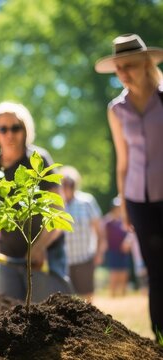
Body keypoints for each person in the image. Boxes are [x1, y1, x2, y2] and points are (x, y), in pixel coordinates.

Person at [95, 33, 163, 336]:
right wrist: (123, 204)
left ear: (146, 63)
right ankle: (160, 337)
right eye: (118, 68)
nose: (123, 73)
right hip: (137, 199)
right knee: (155, 272)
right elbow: (122, 161)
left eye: (129, 66)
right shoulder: (116, 109)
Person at [0, 101, 68, 303]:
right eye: (3, 129)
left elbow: (57, 211)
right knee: (7, 310)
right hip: (8, 255)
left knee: (47, 311)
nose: (10, 134)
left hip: (45, 254)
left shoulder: (39, 160)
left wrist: (40, 246)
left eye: (15, 128)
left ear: (25, 130)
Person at [60, 166, 106, 303]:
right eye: (64, 184)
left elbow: (99, 229)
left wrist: (99, 252)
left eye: (70, 184)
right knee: (65, 298)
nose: (67, 187)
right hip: (64, 261)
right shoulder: (55, 205)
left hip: (84, 258)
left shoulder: (87, 202)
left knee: (87, 297)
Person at [102, 197, 133, 297]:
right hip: (112, 250)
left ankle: (123, 294)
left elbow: (130, 233)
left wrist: (127, 242)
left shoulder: (124, 220)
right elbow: (103, 234)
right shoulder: (108, 221)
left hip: (123, 251)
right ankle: (113, 294)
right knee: (114, 272)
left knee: (124, 272)